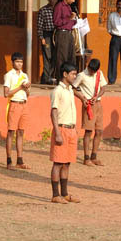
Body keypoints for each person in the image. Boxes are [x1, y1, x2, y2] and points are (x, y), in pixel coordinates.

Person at [49, 63, 81, 204]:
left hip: (71, 129)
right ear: (65, 74)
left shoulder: (70, 90)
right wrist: (57, 132)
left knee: (67, 163)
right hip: (61, 129)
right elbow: (54, 112)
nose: (75, 76)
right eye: (73, 74)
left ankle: (65, 193)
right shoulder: (58, 91)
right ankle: (55, 194)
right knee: (58, 163)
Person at [75, 57, 106, 166]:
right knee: (88, 131)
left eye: (94, 71)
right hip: (88, 105)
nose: (93, 72)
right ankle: (86, 157)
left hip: (98, 103)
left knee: (99, 131)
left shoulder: (99, 73)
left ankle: (94, 156)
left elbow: (103, 88)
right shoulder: (81, 75)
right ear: (88, 67)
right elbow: (74, 88)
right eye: (91, 70)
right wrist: (83, 98)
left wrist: (97, 96)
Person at [3, 52, 31, 169]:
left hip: (23, 104)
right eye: (17, 62)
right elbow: (6, 93)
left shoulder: (25, 75)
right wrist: (20, 87)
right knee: (11, 132)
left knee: (21, 132)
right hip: (14, 104)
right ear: (13, 62)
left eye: (21, 62)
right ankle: (9, 160)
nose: (19, 64)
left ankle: (20, 160)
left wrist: (27, 88)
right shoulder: (9, 75)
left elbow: (28, 94)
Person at [52, 0, 77, 75]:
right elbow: (56, 22)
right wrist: (69, 18)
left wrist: (76, 21)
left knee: (71, 56)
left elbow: (70, 21)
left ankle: (70, 78)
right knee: (62, 57)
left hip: (69, 33)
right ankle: (61, 79)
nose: (73, 1)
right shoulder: (59, 6)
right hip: (62, 34)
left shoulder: (69, 7)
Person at [38, 0, 57, 84]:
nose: (52, 1)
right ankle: (46, 79)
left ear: (56, 0)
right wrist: (42, 38)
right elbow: (39, 26)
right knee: (47, 57)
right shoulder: (43, 10)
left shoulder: (58, 10)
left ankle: (45, 78)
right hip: (47, 35)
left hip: (56, 35)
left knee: (54, 57)